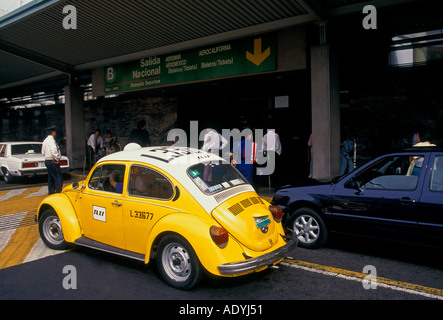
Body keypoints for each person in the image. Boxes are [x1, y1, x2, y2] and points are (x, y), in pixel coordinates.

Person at [41, 125, 63, 195]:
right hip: (53, 161)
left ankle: (51, 193)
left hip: (47, 160)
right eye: (55, 132)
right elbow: (54, 150)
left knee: (51, 178)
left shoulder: (45, 141)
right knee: (58, 178)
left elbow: (42, 152)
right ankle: (58, 193)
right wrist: (56, 158)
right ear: (53, 132)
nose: (55, 133)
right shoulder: (51, 140)